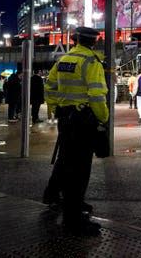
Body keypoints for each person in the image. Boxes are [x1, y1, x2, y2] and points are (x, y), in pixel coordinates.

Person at [43, 26, 108, 235]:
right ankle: (73, 221)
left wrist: (58, 106)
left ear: (74, 40)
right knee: (80, 169)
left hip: (66, 119)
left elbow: (50, 86)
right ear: (94, 42)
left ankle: (70, 203)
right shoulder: (91, 61)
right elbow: (97, 95)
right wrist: (103, 118)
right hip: (83, 120)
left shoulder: (64, 60)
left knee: (66, 162)